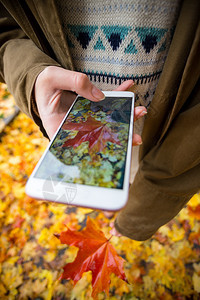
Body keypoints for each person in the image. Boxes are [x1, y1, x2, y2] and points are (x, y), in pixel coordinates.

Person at [0, 0, 199, 240]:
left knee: (124, 180)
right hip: (74, 126)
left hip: (157, 141)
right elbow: (6, 31)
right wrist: (32, 77)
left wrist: (139, 216)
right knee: (109, 178)